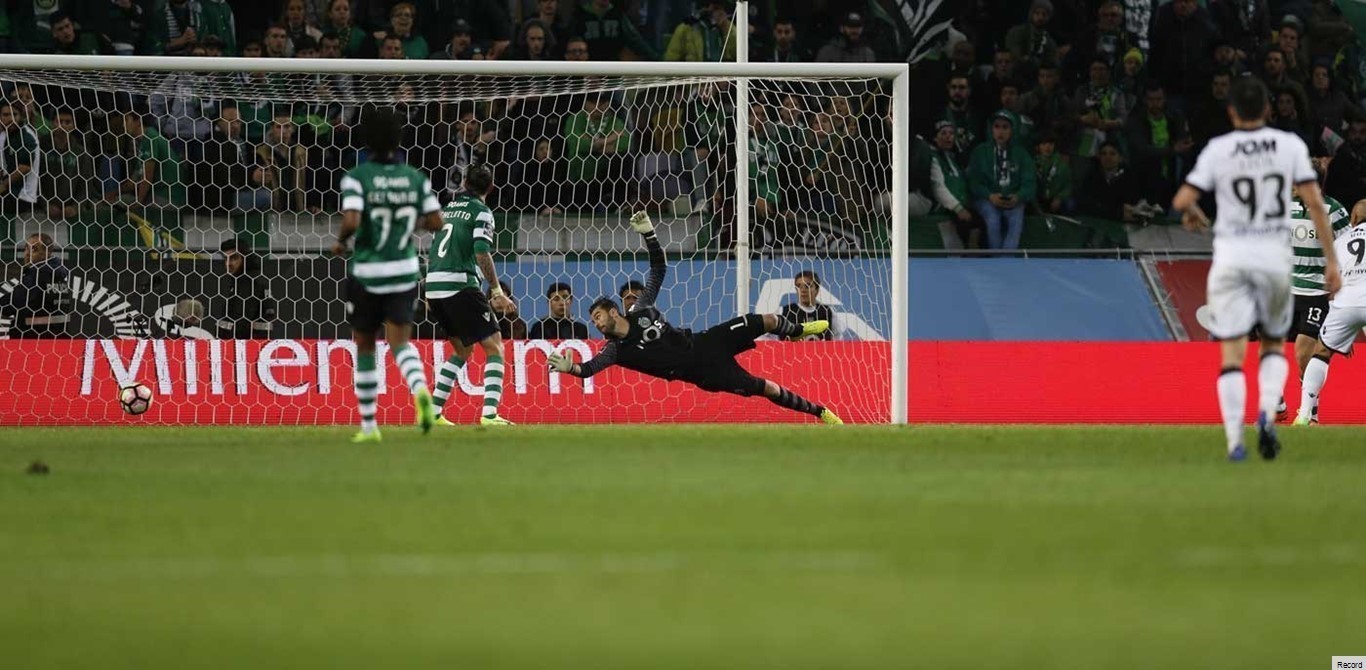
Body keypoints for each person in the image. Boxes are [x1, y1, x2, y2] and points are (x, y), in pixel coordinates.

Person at [1171, 77, 1340, 461]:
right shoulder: (1290, 146)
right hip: (1273, 261)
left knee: (1232, 352)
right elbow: (1315, 204)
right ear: (1266, 110)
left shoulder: (1219, 148)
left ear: (1231, 112)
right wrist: (1331, 261)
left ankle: (1235, 441)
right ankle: (1267, 413)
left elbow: (1183, 198)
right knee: (1272, 346)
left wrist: (1194, 213)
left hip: (1231, 259)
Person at [547, 213, 843, 424]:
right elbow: (588, 369)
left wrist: (649, 234)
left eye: (598, 316)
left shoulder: (640, 308)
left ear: (614, 311)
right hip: (705, 374)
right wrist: (570, 367)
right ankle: (820, 412)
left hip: (707, 342)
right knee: (766, 388)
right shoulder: (615, 350)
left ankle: (798, 329)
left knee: (762, 319)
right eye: (594, 321)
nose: (597, 324)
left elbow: (659, 269)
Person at [332, 106, 445, 442]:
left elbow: (351, 220)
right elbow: (437, 222)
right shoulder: (414, 177)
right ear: (399, 139)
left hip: (368, 270)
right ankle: (421, 391)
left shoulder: (357, 177)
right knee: (400, 343)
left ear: (366, 139)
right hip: (404, 270)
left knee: (365, 344)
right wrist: (409, 221)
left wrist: (340, 242)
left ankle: (369, 427)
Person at [425, 165, 513, 427]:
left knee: (462, 349)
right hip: (459, 283)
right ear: (491, 187)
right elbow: (481, 252)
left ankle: (433, 411)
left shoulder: (447, 210)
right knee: (495, 346)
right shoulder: (481, 212)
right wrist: (496, 290)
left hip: (434, 285)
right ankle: (489, 415)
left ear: (463, 182)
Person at [1280, 191, 1351, 423]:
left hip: (1317, 292)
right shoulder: (1283, 206)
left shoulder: (1334, 210)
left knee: (1303, 353)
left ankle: (1310, 414)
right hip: (1285, 290)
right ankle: (1279, 406)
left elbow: (1349, 249)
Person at [1295, 201, 1366, 424]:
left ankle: (1305, 416)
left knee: (1322, 352)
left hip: (1345, 302)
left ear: (1353, 219)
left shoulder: (1340, 242)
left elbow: (1331, 283)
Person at [968, 111, 1036, 250]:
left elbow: (1030, 184)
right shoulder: (980, 152)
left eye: (1005, 127)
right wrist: (990, 196)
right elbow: (973, 182)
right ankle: (997, 262)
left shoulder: (1022, 154)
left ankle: (1006, 262)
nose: (1000, 131)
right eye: (997, 127)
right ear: (991, 129)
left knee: (1016, 221)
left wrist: (1018, 196)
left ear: (1013, 130)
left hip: (1014, 200)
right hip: (987, 199)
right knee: (993, 220)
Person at [0, 233, 71, 339]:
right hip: (59, 337)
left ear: (47, 251)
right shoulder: (61, 273)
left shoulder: (37, 274)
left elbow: (14, 302)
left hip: (32, 340)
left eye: (33, 249)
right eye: (26, 249)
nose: (27, 254)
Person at [212, 238, 276, 339]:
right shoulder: (245, 280)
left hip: (244, 348)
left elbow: (241, 323)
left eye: (234, 258)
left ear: (245, 258)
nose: (228, 263)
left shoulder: (249, 282)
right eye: (226, 258)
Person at [778, 270, 834, 341]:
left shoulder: (827, 312)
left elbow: (837, 338)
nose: (803, 290)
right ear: (796, 289)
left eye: (808, 286)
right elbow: (765, 336)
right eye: (799, 286)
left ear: (817, 289)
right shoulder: (784, 311)